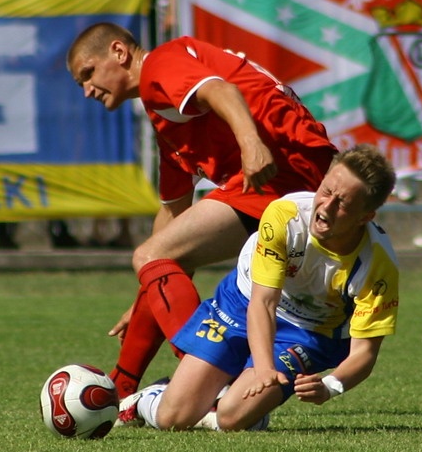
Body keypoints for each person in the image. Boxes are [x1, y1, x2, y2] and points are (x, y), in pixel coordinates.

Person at [65, 23, 338, 398]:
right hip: (287, 173)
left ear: (119, 52)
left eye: (88, 74)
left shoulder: (160, 67)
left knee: (150, 255)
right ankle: (121, 388)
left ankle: (206, 383)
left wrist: (250, 144)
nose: (87, 90)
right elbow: (173, 217)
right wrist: (148, 289)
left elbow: (221, 90)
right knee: (155, 257)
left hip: (284, 168)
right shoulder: (163, 113)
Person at [117, 144, 399, 431]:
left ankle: (243, 410)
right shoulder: (284, 217)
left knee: (231, 417)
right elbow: (263, 303)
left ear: (365, 217)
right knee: (173, 418)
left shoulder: (377, 266)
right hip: (243, 303)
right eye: (326, 191)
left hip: (310, 333)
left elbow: (364, 352)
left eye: (343, 204)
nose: (325, 207)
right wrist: (264, 369)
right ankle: (146, 400)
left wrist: (329, 387)